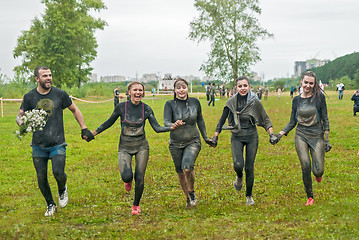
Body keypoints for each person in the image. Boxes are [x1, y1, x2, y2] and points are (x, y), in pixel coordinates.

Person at [90, 82, 182, 215]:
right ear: (129, 92)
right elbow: (108, 122)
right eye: (135, 90)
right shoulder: (121, 107)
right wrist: (93, 134)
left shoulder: (146, 109)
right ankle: (127, 182)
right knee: (127, 176)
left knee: (140, 177)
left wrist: (171, 127)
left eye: (140, 90)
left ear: (143, 93)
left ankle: (136, 205)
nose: (138, 92)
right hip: (124, 147)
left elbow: (156, 128)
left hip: (141, 147)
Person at [16, 66, 94, 217]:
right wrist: (22, 124)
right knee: (41, 176)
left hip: (57, 142)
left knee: (58, 172)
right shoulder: (29, 97)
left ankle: (62, 189)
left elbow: (75, 110)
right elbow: (19, 116)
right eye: (45, 76)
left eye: (50, 75)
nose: (49, 78)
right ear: (37, 79)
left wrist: (84, 128)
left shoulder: (60, 94)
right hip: (38, 144)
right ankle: (50, 204)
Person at [271, 71, 331, 206]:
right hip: (301, 135)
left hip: (317, 135)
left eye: (311, 83)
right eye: (306, 83)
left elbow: (325, 119)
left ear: (314, 84)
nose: (308, 85)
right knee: (305, 165)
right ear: (301, 82)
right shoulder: (296, 100)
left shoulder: (319, 98)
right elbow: (292, 122)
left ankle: (318, 173)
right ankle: (310, 196)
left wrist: (326, 139)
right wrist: (280, 134)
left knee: (318, 170)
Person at [212, 76, 274, 206]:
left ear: (249, 87)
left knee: (249, 167)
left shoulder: (255, 102)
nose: (243, 88)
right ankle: (239, 176)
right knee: (238, 165)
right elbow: (221, 120)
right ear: (236, 88)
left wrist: (271, 134)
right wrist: (215, 136)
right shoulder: (230, 103)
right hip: (237, 136)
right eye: (240, 86)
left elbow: (265, 118)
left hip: (252, 136)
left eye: (245, 86)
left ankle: (249, 196)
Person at [164, 78, 213, 207]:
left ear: (187, 88)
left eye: (183, 87)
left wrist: (205, 137)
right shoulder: (169, 104)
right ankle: (188, 199)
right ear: (174, 90)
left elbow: (200, 120)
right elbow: (166, 122)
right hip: (175, 143)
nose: (181, 90)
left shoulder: (195, 102)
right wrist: (173, 124)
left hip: (193, 140)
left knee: (187, 168)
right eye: (178, 88)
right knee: (180, 171)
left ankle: (191, 193)